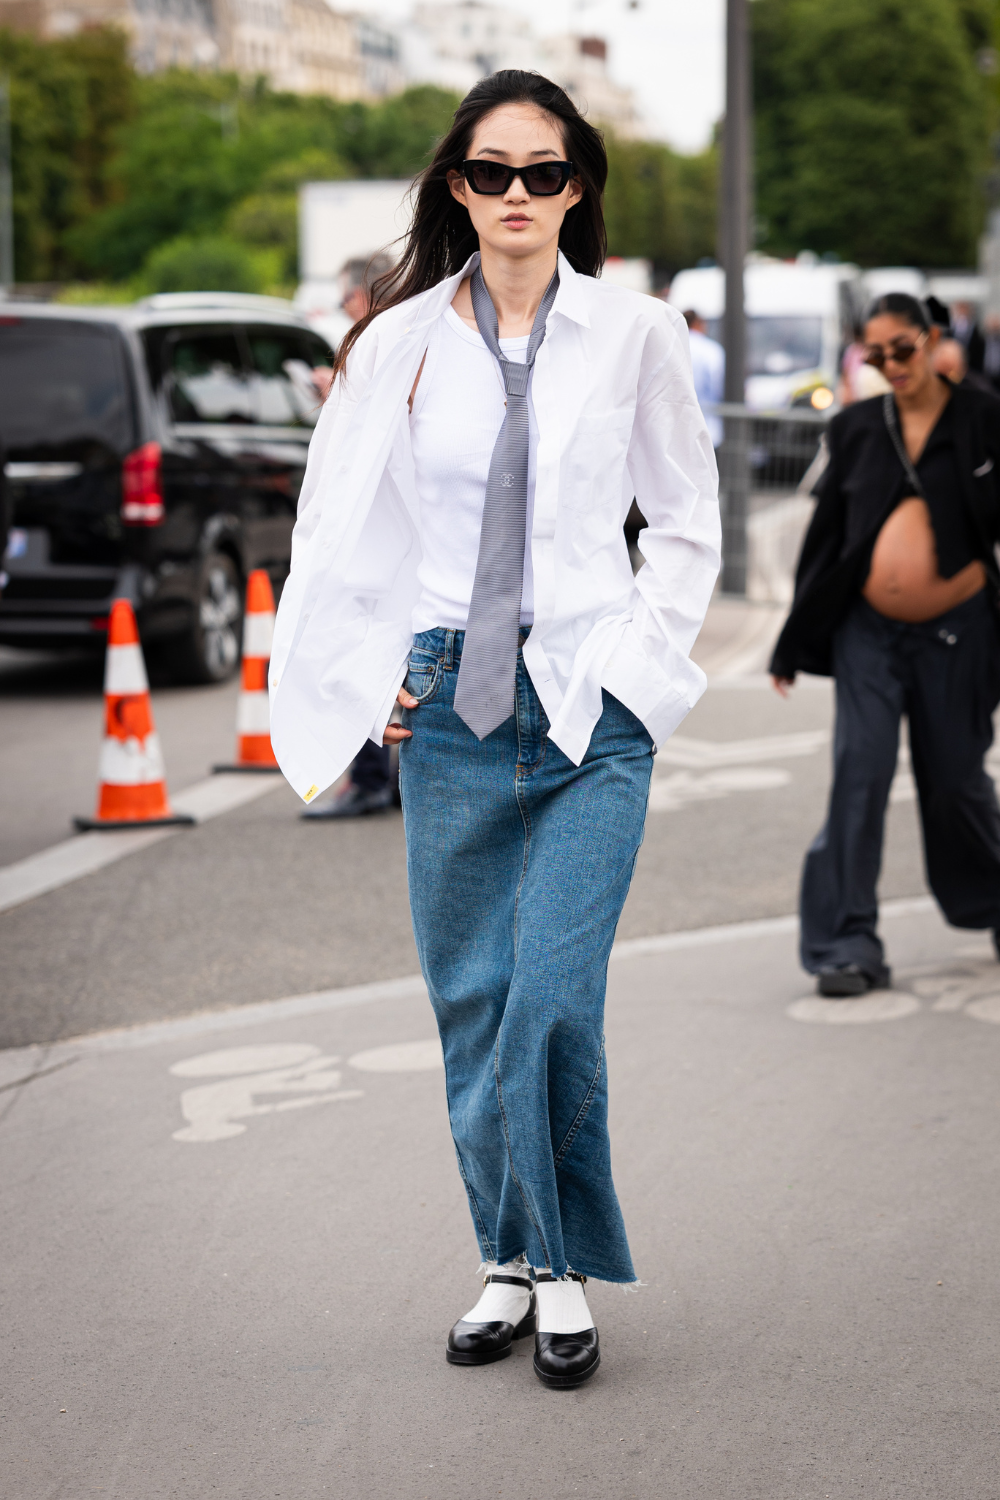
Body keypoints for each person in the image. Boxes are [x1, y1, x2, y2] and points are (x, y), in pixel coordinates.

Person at [268, 69, 720, 1385]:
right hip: (452, 703)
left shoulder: (635, 335)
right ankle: (507, 1259)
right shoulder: (396, 344)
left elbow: (685, 520)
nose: (516, 193)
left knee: (549, 999)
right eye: (489, 171)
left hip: (589, 703)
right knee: (471, 1000)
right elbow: (340, 526)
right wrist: (368, 672)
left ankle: (563, 1267)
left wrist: (640, 667)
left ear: (577, 188)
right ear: (455, 187)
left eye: (543, 171)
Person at [770, 292, 1000, 997]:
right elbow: (827, 538)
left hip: (959, 631)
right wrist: (790, 644)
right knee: (859, 775)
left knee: (956, 779)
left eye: (902, 348)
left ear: (930, 340)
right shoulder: (857, 426)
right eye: (876, 355)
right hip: (867, 632)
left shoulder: (983, 416)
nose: (891, 365)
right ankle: (845, 942)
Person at [301, 251, 400, 820]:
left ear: (366, 293)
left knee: (358, 646)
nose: (344, 309)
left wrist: (336, 393)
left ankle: (368, 780)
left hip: (371, 529)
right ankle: (393, 778)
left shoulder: (376, 343)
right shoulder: (420, 333)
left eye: (346, 298)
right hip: (398, 531)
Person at [683, 308, 725, 446]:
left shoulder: (674, 346)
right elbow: (719, 385)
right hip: (708, 426)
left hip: (678, 429)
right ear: (698, 323)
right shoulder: (710, 349)